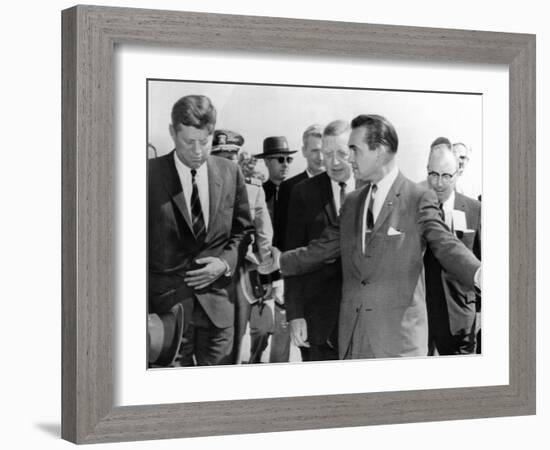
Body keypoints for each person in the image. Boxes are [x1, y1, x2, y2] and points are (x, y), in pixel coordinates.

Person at [280, 114, 481, 359]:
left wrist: (479, 274)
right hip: (354, 341)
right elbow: (321, 249)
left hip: (398, 345)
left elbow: (445, 243)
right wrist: (279, 262)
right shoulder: (354, 202)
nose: (349, 158)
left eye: (354, 149)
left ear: (380, 151)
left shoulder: (417, 198)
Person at [148, 95, 253, 366]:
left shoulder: (231, 172)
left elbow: (243, 232)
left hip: (219, 311)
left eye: (204, 142)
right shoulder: (147, 175)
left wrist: (224, 264)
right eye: (188, 142)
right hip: (167, 315)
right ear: (172, 132)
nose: (197, 151)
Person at [285, 120, 355, 361]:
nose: (333, 162)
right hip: (317, 320)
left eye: (341, 153)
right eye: (327, 154)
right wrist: (295, 314)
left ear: (354, 151)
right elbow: (292, 256)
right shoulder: (304, 193)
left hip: (362, 319)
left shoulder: (372, 190)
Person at [210, 129, 279, 363]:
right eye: (220, 156)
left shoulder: (253, 189)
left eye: (232, 157)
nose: (227, 162)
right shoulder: (200, 189)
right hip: (211, 273)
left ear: (238, 159)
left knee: (249, 334)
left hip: (243, 273)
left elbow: (264, 237)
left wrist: (269, 276)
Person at [424, 143, 481, 355]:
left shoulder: (475, 210)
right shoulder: (415, 208)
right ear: (426, 171)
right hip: (425, 317)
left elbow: (481, 259)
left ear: (457, 174)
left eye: (446, 176)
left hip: (461, 318)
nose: (439, 183)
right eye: (434, 174)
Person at [255, 136, 296, 363]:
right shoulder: (258, 193)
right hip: (261, 277)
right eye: (280, 159)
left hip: (287, 274)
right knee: (258, 335)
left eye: (288, 159)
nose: (285, 164)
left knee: (283, 331)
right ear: (267, 162)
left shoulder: (298, 192)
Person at [277, 124, 325, 251]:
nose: (320, 157)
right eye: (314, 151)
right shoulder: (289, 188)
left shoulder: (341, 185)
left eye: (324, 150)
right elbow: (282, 233)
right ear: (304, 151)